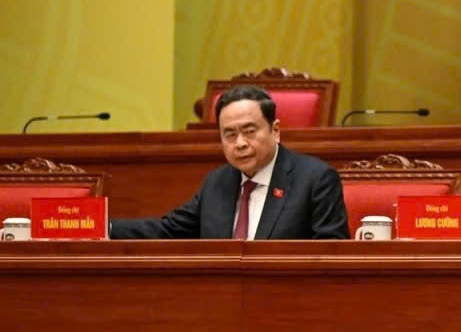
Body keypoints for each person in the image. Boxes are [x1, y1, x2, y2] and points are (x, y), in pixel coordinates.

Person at [110, 85, 349, 239]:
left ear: (275, 131)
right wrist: (103, 228)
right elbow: (168, 231)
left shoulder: (315, 180)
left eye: (249, 131)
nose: (240, 143)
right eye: (230, 134)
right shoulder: (218, 181)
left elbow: (330, 255)